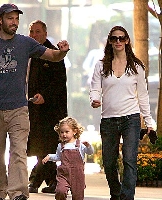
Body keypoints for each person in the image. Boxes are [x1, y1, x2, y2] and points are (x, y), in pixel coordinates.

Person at [0, 3, 69, 200]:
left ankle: (18, 193)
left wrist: (62, 51)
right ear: (0, 20)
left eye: (16, 19)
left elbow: (53, 56)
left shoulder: (25, 43)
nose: (14, 22)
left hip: (18, 108)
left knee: (19, 152)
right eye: (10, 19)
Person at [89, 26, 154, 200]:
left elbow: (143, 95)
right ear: (110, 41)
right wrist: (94, 99)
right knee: (109, 163)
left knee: (129, 159)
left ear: (127, 41)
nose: (118, 41)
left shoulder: (136, 67)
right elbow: (95, 88)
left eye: (121, 38)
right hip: (108, 119)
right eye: (114, 38)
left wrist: (149, 121)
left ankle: (127, 197)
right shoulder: (101, 65)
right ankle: (116, 194)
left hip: (130, 118)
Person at [26, 20, 68, 194]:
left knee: (48, 147)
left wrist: (45, 95)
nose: (34, 35)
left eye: (37, 31)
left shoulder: (53, 53)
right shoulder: (29, 53)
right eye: (31, 32)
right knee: (40, 146)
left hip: (51, 110)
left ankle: (35, 180)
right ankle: (53, 181)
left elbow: (58, 83)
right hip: (33, 108)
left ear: (45, 33)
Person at [42, 116, 94, 200]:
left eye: (67, 132)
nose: (64, 134)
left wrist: (88, 146)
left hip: (78, 175)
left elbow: (90, 152)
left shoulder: (80, 145)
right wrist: (49, 156)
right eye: (62, 132)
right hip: (64, 174)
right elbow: (58, 157)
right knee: (60, 191)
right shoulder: (61, 146)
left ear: (74, 131)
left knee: (78, 196)